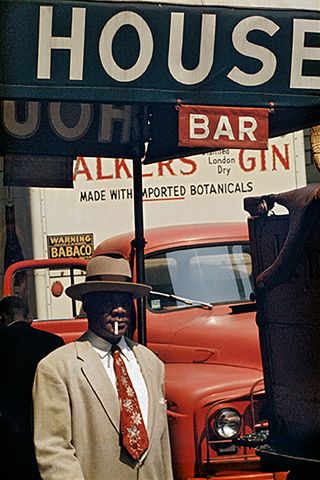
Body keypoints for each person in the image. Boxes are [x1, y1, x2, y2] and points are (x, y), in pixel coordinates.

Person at [32, 255, 174, 480]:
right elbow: (54, 451)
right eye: (108, 299)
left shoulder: (151, 363)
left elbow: (162, 446)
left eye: (125, 300)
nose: (119, 309)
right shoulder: (57, 368)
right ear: (87, 304)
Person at [0, 295, 64, 480]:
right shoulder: (53, 342)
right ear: (28, 318)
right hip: (45, 430)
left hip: (8, 434)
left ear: (3, 317)